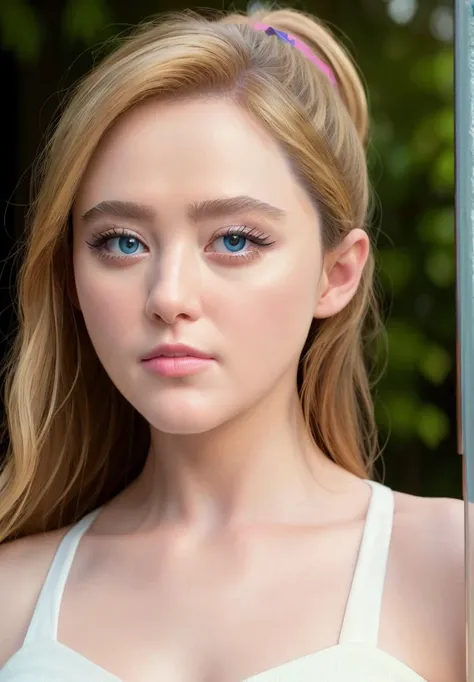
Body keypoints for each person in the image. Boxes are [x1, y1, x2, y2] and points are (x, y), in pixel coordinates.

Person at [0, 7, 465, 682]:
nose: (168, 295)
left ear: (337, 274)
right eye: (121, 242)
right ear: (70, 273)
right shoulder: (12, 595)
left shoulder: (452, 565)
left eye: (235, 240)